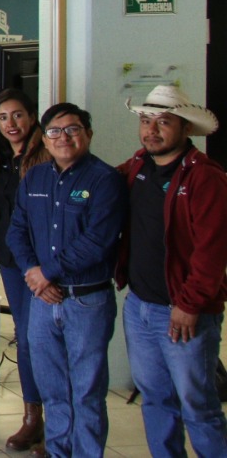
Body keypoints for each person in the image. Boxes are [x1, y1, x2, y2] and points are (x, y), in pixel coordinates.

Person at [6, 102, 124, 457]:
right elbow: (16, 231)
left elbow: (98, 242)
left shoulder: (105, 180)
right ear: (44, 138)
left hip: (87, 301)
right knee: (53, 390)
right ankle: (58, 451)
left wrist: (48, 273)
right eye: (54, 131)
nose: (63, 138)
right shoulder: (35, 178)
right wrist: (33, 273)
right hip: (43, 300)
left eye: (72, 129)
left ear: (88, 134)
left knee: (87, 391)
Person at [116, 85, 227, 457]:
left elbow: (212, 252)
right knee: (155, 399)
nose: (151, 130)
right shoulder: (137, 166)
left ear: (184, 128)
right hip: (140, 307)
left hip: (184, 312)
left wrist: (190, 304)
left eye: (163, 122)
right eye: (146, 121)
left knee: (198, 405)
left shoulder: (205, 177)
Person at [0, 89, 49, 452]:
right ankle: (32, 416)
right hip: (11, 260)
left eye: (18, 115)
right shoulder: (0, 157)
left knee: (43, 340)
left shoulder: (46, 154)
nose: (11, 124)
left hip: (43, 264)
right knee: (25, 339)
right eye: (3, 117)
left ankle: (58, 419)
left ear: (32, 117)